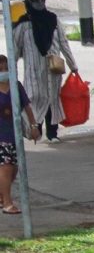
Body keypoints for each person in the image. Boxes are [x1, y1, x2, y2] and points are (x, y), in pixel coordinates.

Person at [13, 0, 79, 142]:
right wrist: (12, 73)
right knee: (33, 99)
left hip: (52, 70)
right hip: (33, 72)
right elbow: (15, 51)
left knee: (52, 99)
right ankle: (34, 130)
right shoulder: (23, 25)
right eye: (35, 0)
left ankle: (52, 134)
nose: (40, 3)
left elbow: (63, 42)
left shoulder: (53, 20)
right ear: (28, 3)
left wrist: (72, 66)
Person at [0, 53, 42, 215]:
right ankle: (8, 203)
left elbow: (27, 108)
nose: (4, 71)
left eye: (6, 68)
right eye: (0, 68)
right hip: (1, 136)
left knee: (14, 168)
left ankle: (2, 195)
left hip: (14, 133)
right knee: (5, 167)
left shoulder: (16, 86)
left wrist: (34, 126)